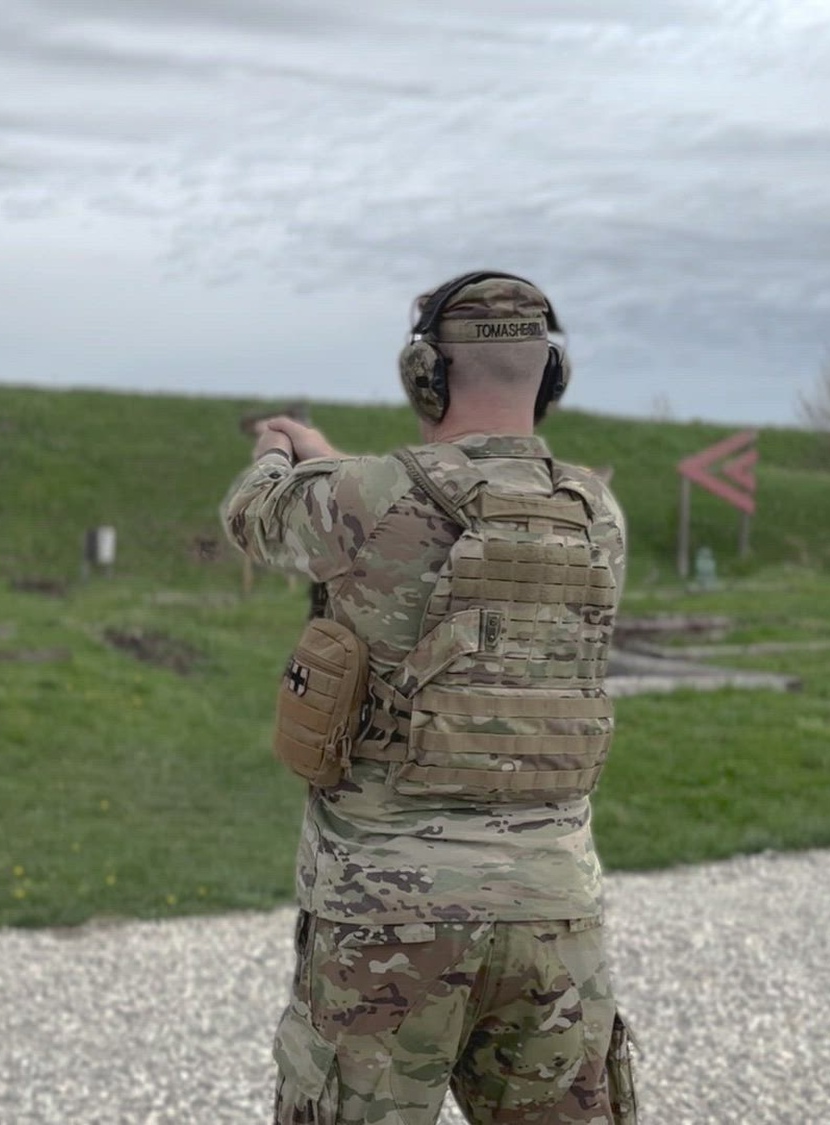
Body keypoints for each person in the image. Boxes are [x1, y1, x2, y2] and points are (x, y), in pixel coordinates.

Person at [222, 273, 636, 1124]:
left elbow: (253, 515)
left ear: (426, 376)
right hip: (553, 914)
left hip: (385, 914)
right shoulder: (598, 513)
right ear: (550, 378)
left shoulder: (364, 498)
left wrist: (283, 446)